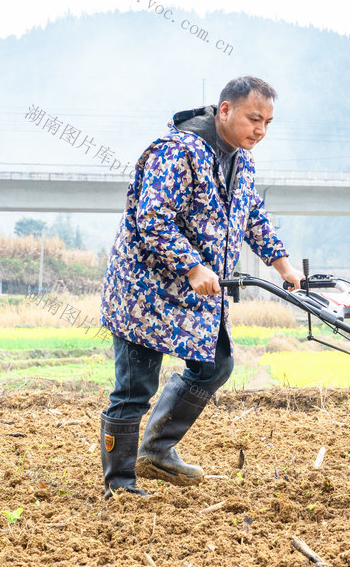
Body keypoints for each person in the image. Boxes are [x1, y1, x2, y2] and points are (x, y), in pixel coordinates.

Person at [98, 76, 304, 500]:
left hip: (194, 295)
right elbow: (152, 218)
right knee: (135, 389)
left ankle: (156, 450)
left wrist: (285, 266)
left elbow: (251, 219)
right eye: (253, 119)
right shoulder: (177, 151)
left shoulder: (240, 161)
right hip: (146, 291)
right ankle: (119, 486)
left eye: (267, 122)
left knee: (215, 365)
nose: (260, 130)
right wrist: (193, 266)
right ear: (224, 110)